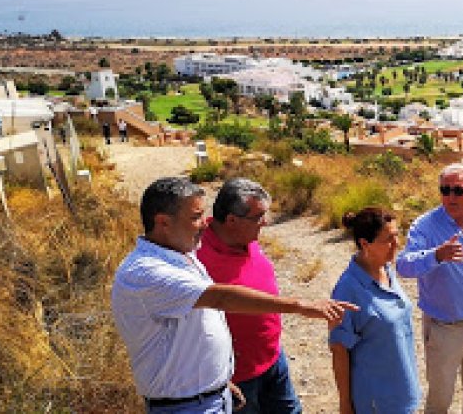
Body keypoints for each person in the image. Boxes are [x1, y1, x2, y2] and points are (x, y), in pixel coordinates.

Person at [112, 177, 356, 414]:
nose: (204, 224)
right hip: (187, 406)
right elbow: (220, 298)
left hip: (215, 391)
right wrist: (300, 306)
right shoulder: (146, 272)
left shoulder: (182, 254)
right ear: (163, 222)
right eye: (196, 217)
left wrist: (218, 380)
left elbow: (192, 336)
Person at [396, 163, 463, 414]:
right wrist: (436, 255)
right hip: (444, 328)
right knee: (440, 398)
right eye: (445, 190)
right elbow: (403, 265)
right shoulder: (425, 226)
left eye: (458, 190)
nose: (450, 197)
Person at [198, 178, 302, 414]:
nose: (265, 222)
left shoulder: (245, 237)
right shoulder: (197, 255)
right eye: (258, 217)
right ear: (232, 220)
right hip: (236, 376)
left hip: (272, 357)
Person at [330, 207, 421, 414]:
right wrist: (345, 404)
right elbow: (339, 350)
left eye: (397, 235)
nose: (396, 244)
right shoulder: (347, 289)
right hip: (376, 401)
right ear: (365, 244)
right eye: (388, 239)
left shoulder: (386, 269)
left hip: (402, 391)